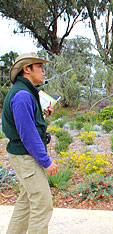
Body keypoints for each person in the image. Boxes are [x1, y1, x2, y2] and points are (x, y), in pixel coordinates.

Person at [2, 52, 58, 234]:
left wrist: (42, 115)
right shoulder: (23, 96)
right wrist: (46, 161)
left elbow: (27, 126)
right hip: (26, 156)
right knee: (42, 204)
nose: (43, 71)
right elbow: (28, 134)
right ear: (27, 69)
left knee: (26, 201)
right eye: (39, 66)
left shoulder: (24, 92)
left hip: (23, 154)